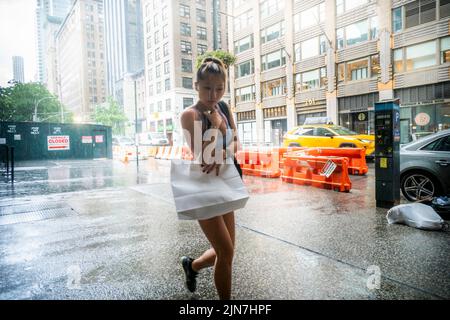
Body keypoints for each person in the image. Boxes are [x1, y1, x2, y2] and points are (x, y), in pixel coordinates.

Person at [179, 57, 241, 300]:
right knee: (225, 253)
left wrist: (225, 149)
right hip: (203, 187)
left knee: (227, 251)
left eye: (219, 89)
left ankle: (192, 266)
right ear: (195, 85)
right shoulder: (190, 115)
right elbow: (203, 157)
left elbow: (236, 144)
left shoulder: (224, 108)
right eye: (207, 88)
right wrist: (215, 126)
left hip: (225, 182)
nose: (213, 94)